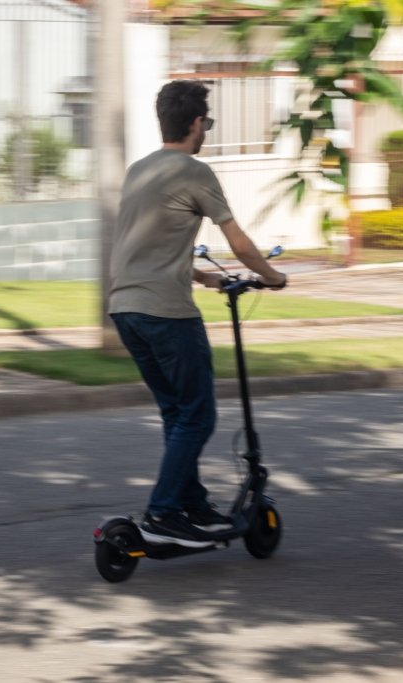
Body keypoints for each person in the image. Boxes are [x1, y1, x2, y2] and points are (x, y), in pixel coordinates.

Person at [108, 80, 288, 548]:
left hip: (126, 309)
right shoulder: (194, 170)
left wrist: (201, 276)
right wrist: (273, 277)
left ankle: (190, 503)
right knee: (199, 415)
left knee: (177, 413)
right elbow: (239, 242)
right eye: (206, 122)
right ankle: (164, 512)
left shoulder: (139, 171)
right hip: (166, 314)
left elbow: (146, 245)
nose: (205, 130)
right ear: (195, 124)